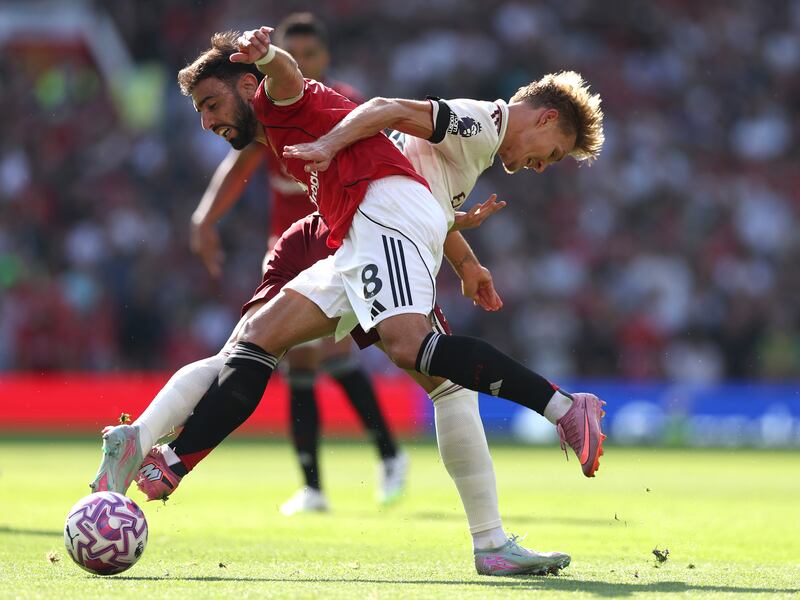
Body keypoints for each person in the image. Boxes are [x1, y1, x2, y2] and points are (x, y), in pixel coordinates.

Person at [92, 26, 606, 575]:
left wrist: (463, 255)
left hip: (374, 222)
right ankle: (157, 449)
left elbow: (310, 93)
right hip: (366, 224)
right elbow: (378, 121)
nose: (532, 166)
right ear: (547, 119)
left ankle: (549, 430)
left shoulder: (471, 130)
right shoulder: (480, 123)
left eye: (210, 106)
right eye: (548, 156)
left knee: (391, 358)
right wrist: (304, 105)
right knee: (297, 346)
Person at [189, 12, 404, 514]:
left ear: (324, 59)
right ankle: (329, 480)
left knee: (330, 354)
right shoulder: (263, 110)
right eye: (294, 54)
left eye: (310, 55)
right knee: (302, 358)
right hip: (288, 242)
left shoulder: (339, 103)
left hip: (340, 232)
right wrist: (203, 220)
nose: (301, 63)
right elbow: (237, 165)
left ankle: (358, 468)